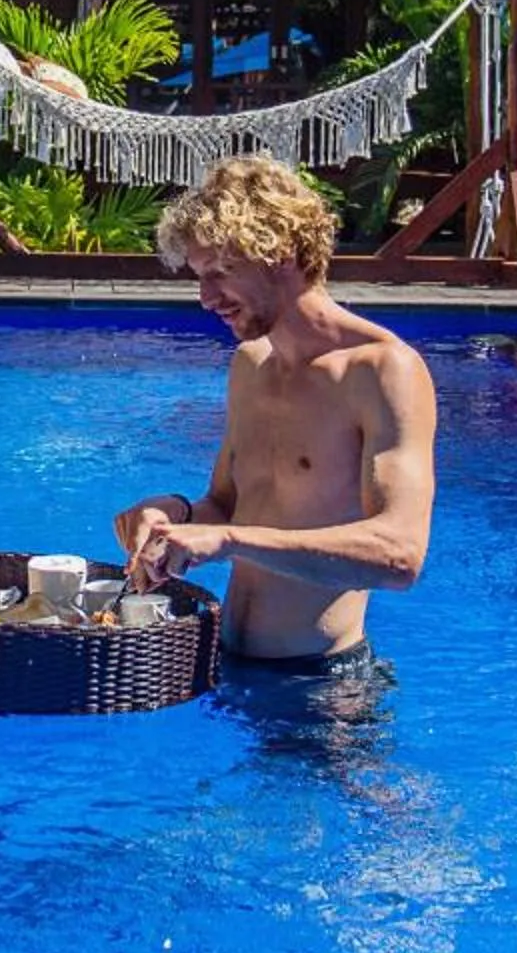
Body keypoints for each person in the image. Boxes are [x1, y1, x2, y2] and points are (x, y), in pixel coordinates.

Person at [115, 155, 436, 676]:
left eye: (220, 272)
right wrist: (174, 514)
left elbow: (401, 555)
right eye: (199, 277)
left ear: (278, 253)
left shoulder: (382, 372)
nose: (205, 299)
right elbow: (226, 504)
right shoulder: (251, 365)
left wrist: (227, 540)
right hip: (227, 668)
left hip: (325, 695)